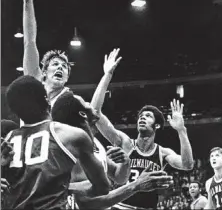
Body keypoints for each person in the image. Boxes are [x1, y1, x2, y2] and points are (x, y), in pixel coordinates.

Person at [89, 49, 194, 209]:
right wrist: (107, 75)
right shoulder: (125, 142)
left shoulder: (162, 153)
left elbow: (187, 165)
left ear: (157, 125)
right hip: (121, 206)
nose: (142, 118)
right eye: (141, 116)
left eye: (148, 116)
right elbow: (95, 113)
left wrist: (181, 130)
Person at [2, 75, 110, 210]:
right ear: (47, 100)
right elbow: (103, 187)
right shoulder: (72, 136)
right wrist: (66, 189)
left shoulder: (6, 140)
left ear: (15, 112)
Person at [52, 91, 174, 210]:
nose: (90, 104)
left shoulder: (96, 144)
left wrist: (125, 162)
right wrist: (135, 186)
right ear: (83, 114)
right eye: (86, 103)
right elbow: (87, 203)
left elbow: (119, 177)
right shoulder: (73, 148)